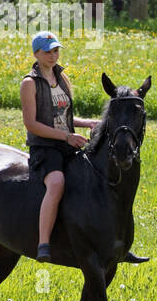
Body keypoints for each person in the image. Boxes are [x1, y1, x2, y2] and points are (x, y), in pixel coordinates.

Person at [20, 32, 147, 265]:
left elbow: (61, 116)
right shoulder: (29, 83)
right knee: (57, 182)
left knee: (99, 178)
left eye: (56, 50)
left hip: (67, 143)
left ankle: (113, 243)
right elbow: (32, 123)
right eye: (47, 51)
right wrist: (66, 136)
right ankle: (44, 242)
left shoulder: (62, 78)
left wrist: (85, 123)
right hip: (46, 148)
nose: (53, 55)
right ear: (36, 53)